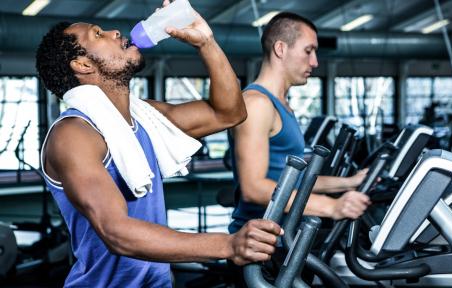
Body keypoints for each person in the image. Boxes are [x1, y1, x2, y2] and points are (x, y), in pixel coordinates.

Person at [35, 2, 282, 287]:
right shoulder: (73, 134)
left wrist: (207, 43)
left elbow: (229, 113)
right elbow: (116, 231)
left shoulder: (145, 117)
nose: (115, 32)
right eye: (98, 34)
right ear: (83, 64)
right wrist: (229, 245)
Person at [228, 12, 371, 285]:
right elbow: (254, 187)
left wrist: (348, 182)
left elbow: (288, 179)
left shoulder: (282, 105)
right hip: (258, 251)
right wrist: (332, 207)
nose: (315, 62)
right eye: (308, 51)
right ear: (280, 49)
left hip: (284, 244)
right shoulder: (257, 103)